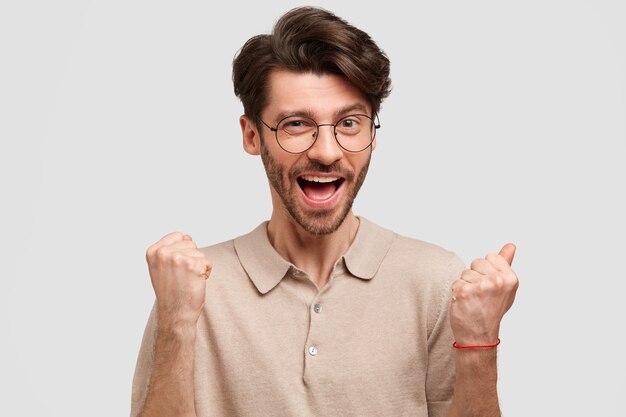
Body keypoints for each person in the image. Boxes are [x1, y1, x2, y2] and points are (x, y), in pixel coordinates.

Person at [130, 6, 519, 417]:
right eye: (296, 124)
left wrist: (478, 343)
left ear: (373, 132)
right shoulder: (191, 288)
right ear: (251, 135)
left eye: (350, 123)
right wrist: (175, 323)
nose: (327, 151)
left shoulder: (435, 281)